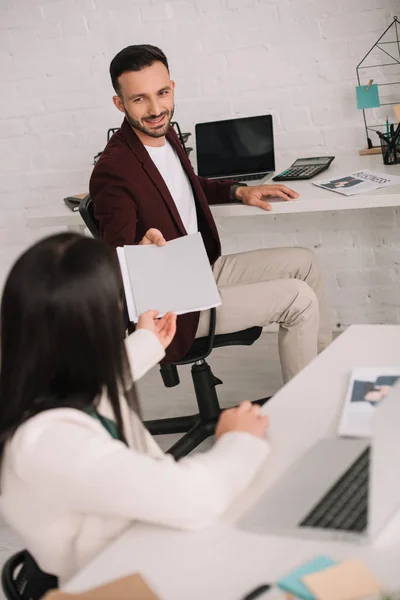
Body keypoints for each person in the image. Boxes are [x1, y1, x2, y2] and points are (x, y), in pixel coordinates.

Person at [0, 233, 270, 583]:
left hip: (135, 550)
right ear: (92, 329)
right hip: (117, 578)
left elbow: (91, 387)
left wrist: (146, 341)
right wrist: (237, 438)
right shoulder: (50, 444)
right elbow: (195, 499)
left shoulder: (33, 385)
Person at [90, 44, 332, 383]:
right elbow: (114, 260)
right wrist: (137, 251)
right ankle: (307, 405)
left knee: (305, 261)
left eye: (161, 93)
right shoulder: (115, 169)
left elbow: (190, 185)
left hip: (204, 269)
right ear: (120, 103)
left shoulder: (164, 132)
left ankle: (323, 374)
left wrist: (238, 190)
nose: (156, 108)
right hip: (175, 306)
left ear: (172, 88)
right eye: (140, 99)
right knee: (299, 299)